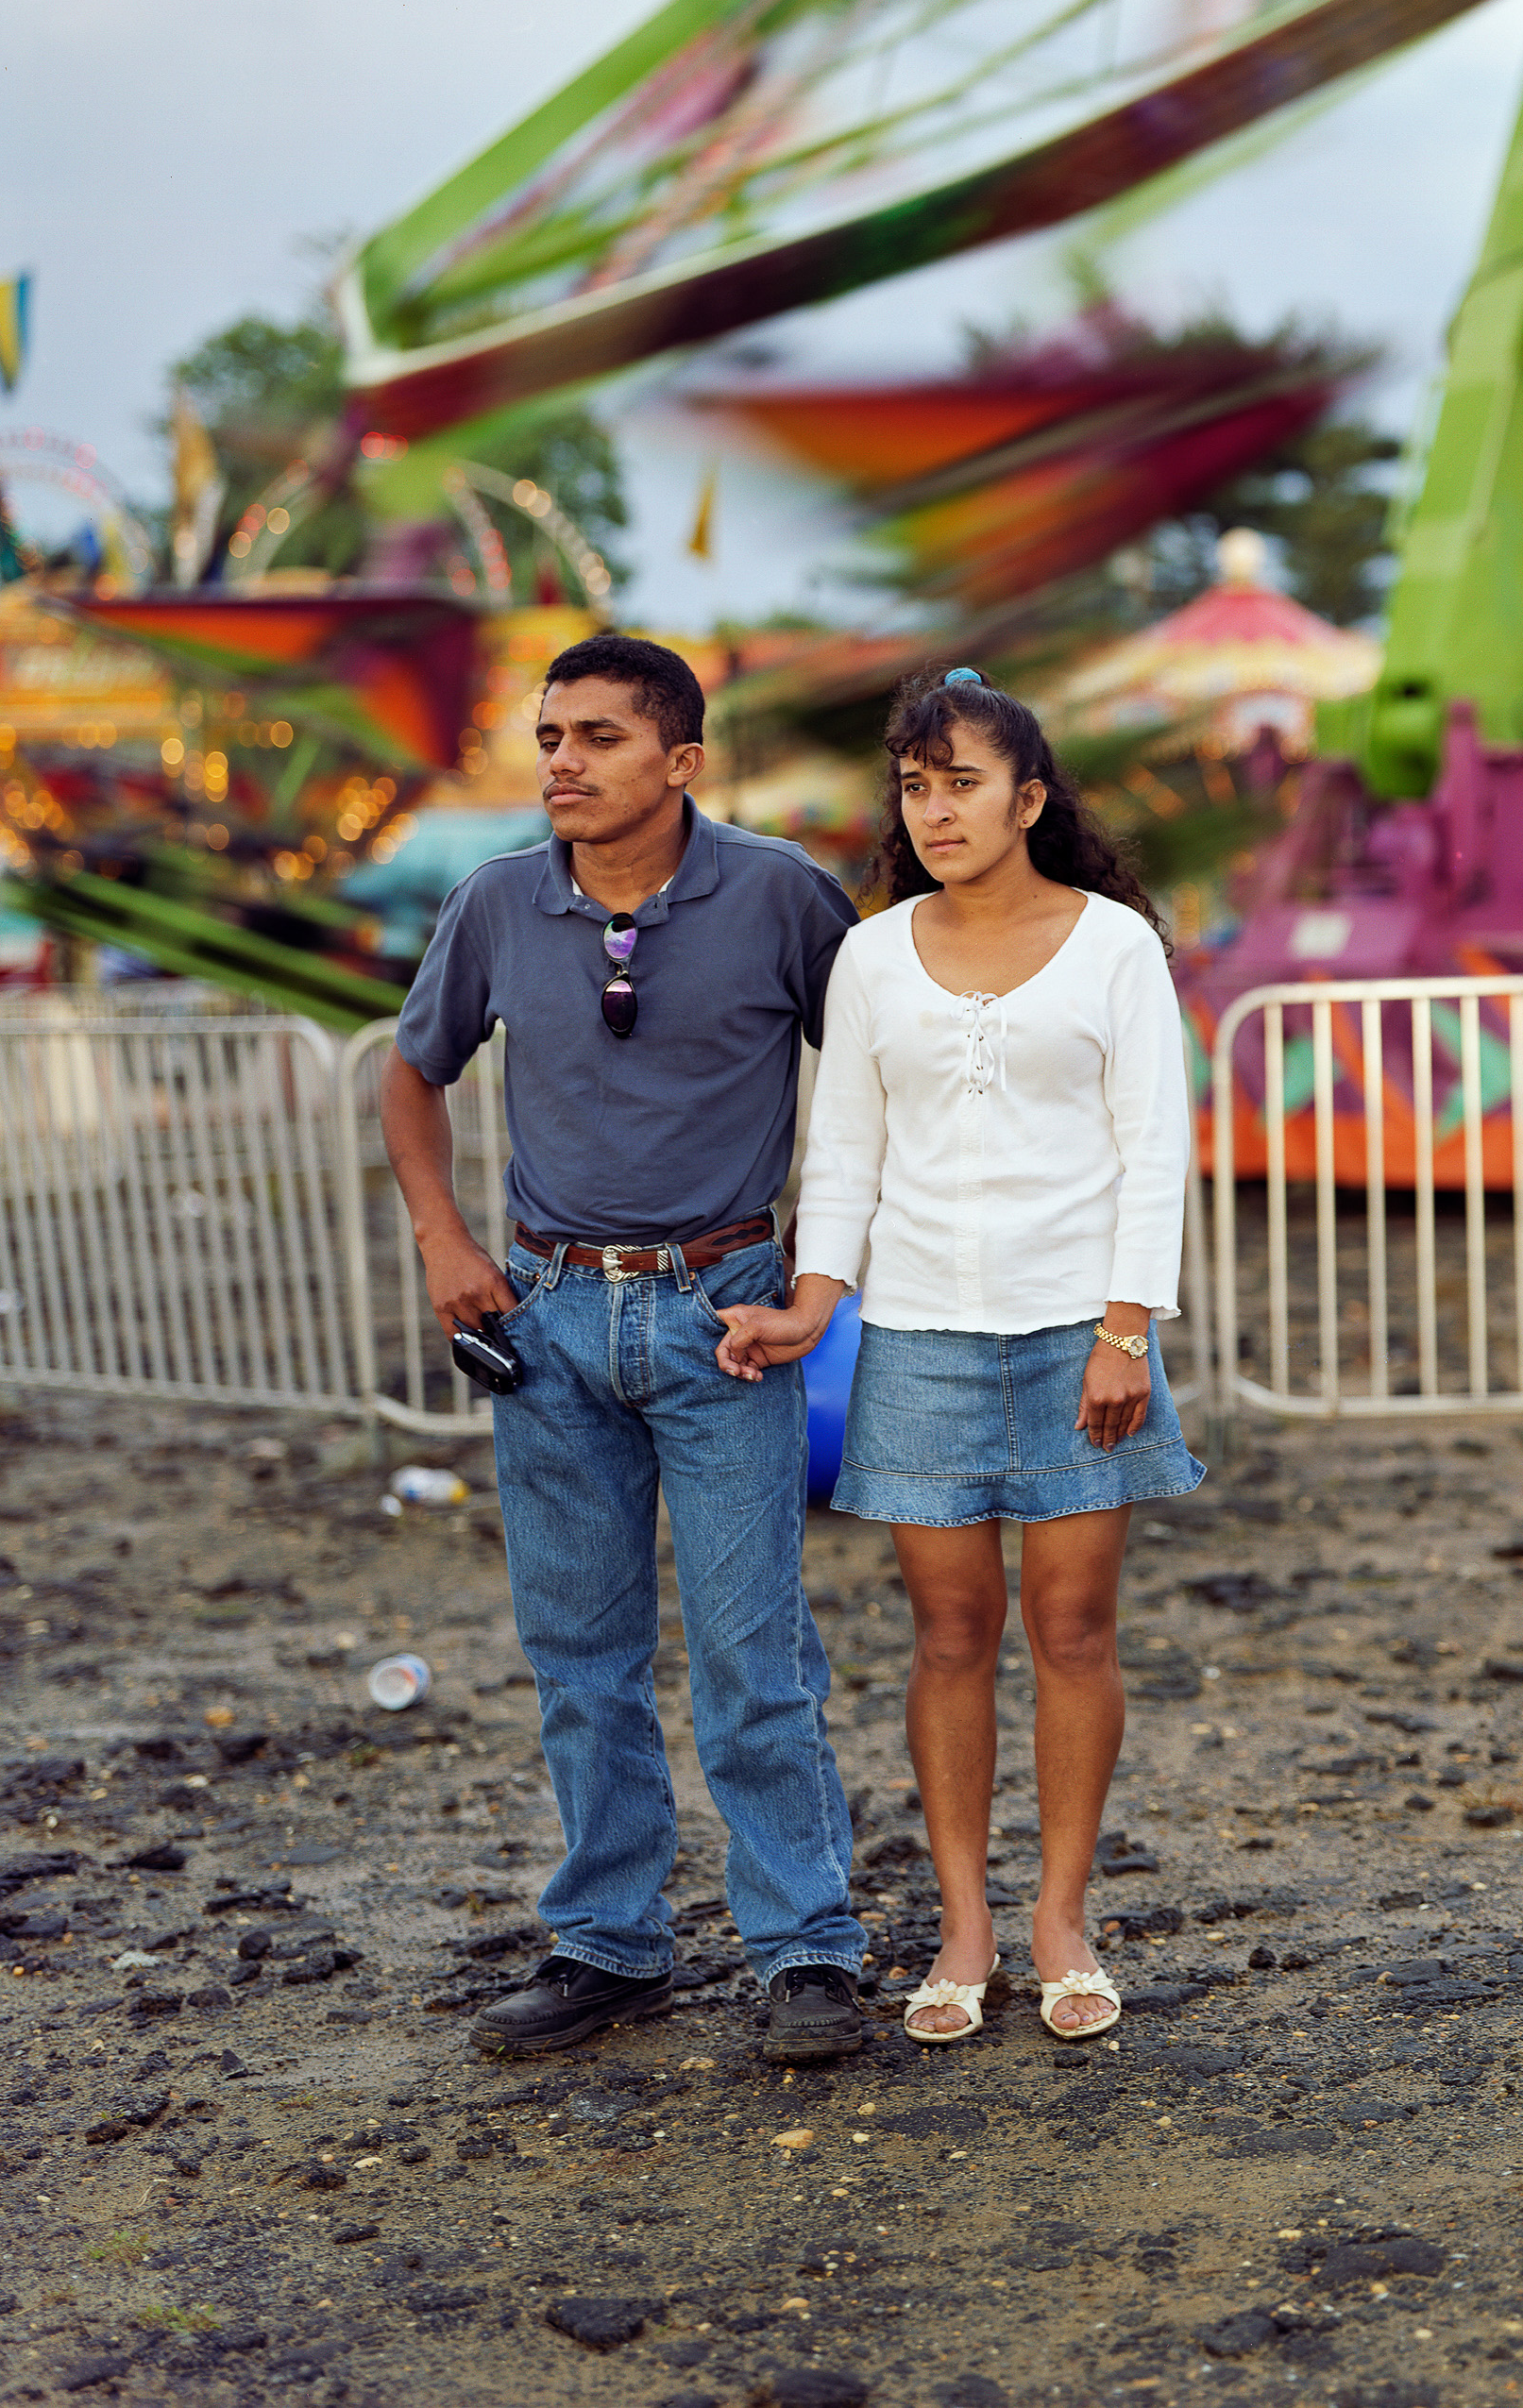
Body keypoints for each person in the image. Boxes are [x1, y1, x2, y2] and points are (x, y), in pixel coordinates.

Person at [381, 631, 874, 2067]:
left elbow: (874, 1072)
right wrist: (445, 1241)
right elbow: (412, 1072)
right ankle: (607, 1942)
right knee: (579, 1652)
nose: (564, 761)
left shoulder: (780, 894)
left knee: (751, 1650)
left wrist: (825, 1267)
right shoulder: (496, 901)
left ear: (682, 760)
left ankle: (806, 1947)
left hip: (726, 1313)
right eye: (551, 736)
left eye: (599, 737)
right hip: (544, 1318)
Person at [719, 667, 1202, 2048]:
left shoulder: (1114, 944)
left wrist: (1126, 1329)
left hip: (1080, 1337)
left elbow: (1153, 1145)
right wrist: (812, 1306)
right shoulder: (871, 955)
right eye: (916, 787)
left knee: (1074, 1629)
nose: (936, 810)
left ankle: (1061, 1919)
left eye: (964, 784)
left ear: (1029, 799)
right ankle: (963, 1925)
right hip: (919, 1336)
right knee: (947, 1635)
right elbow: (847, 1151)